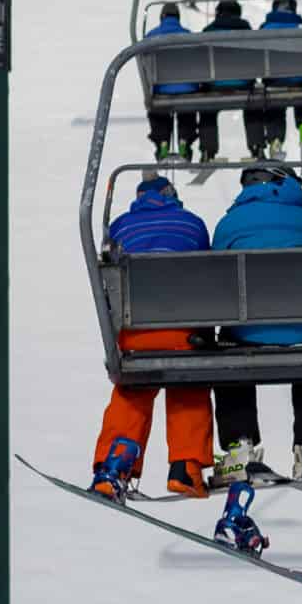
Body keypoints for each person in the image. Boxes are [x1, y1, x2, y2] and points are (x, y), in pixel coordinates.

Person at [206, 164, 302, 488]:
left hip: (246, 333)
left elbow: (213, 277)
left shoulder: (229, 223)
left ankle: (239, 447)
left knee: (228, 350)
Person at [89, 176, 214, 499]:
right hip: (184, 332)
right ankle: (186, 466)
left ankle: (114, 465)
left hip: (135, 334)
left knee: (132, 390)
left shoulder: (120, 227)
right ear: (173, 196)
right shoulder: (192, 224)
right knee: (188, 384)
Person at [243, 0, 302, 160]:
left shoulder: (266, 28)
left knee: (273, 103)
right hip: (300, 81)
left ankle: (275, 140)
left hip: (274, 81)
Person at [142, 2, 204, 163]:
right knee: (187, 111)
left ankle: (162, 141)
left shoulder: (151, 36)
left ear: (162, 17)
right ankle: (184, 140)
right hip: (187, 88)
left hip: (161, 89)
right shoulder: (188, 35)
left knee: (158, 110)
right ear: (178, 17)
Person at [197, 0, 254, 163]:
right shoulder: (247, 30)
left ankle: (208, 150)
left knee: (207, 110)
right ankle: (257, 146)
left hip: (215, 84)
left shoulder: (208, 31)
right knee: (254, 105)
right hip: (243, 85)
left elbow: (200, 62)